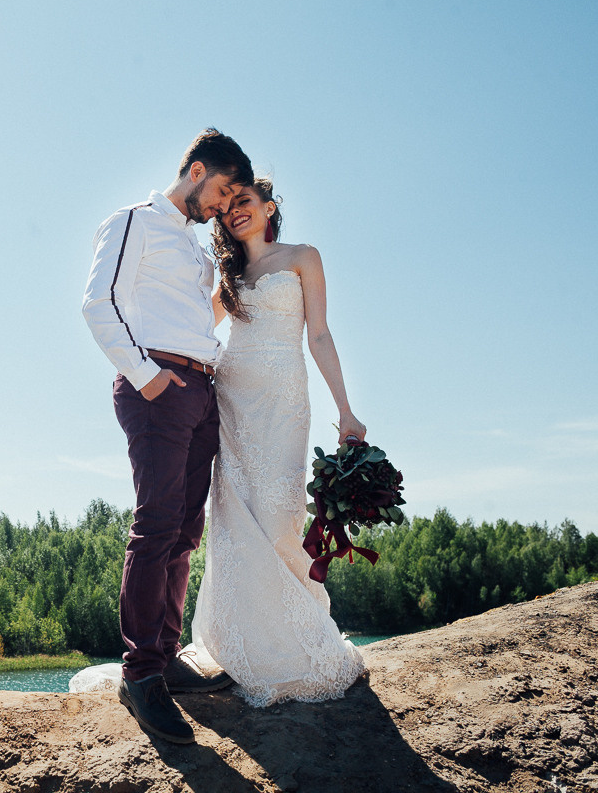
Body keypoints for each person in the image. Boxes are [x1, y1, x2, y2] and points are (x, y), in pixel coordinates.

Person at [79, 128, 253, 744]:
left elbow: (194, 315)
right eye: (224, 191)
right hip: (159, 386)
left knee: (185, 530)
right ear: (198, 170)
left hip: (201, 390)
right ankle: (141, 675)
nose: (224, 207)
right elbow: (98, 303)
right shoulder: (134, 220)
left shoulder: (195, 246)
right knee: (155, 525)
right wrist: (150, 378)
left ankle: (167, 656)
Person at [187, 177, 368, 706]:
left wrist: (346, 409)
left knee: (279, 509)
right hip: (233, 395)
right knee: (234, 514)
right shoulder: (230, 275)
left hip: (284, 399)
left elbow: (320, 335)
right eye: (227, 208)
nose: (235, 212)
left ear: (269, 207)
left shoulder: (302, 257)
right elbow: (196, 324)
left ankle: (295, 640)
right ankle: (245, 646)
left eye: (244, 201)